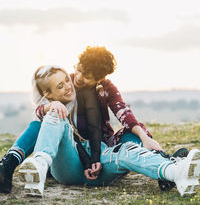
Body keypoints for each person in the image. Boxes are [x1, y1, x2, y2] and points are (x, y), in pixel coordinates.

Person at [0, 46, 188, 193]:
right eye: (78, 70)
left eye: (87, 77)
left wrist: (145, 138)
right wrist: (51, 106)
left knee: (133, 138)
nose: (77, 79)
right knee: (50, 116)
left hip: (102, 148)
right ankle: (13, 164)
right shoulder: (64, 83)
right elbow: (39, 113)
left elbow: (125, 115)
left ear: (100, 79)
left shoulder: (105, 89)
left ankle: (168, 168)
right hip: (70, 154)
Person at [0, 65, 102, 193]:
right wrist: (50, 106)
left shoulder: (81, 96)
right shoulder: (50, 105)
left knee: (53, 114)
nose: (68, 86)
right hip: (57, 164)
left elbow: (92, 131)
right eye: (60, 86)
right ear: (47, 94)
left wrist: (90, 162)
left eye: (66, 79)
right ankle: (8, 165)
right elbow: (39, 111)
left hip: (77, 160)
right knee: (47, 117)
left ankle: (9, 164)